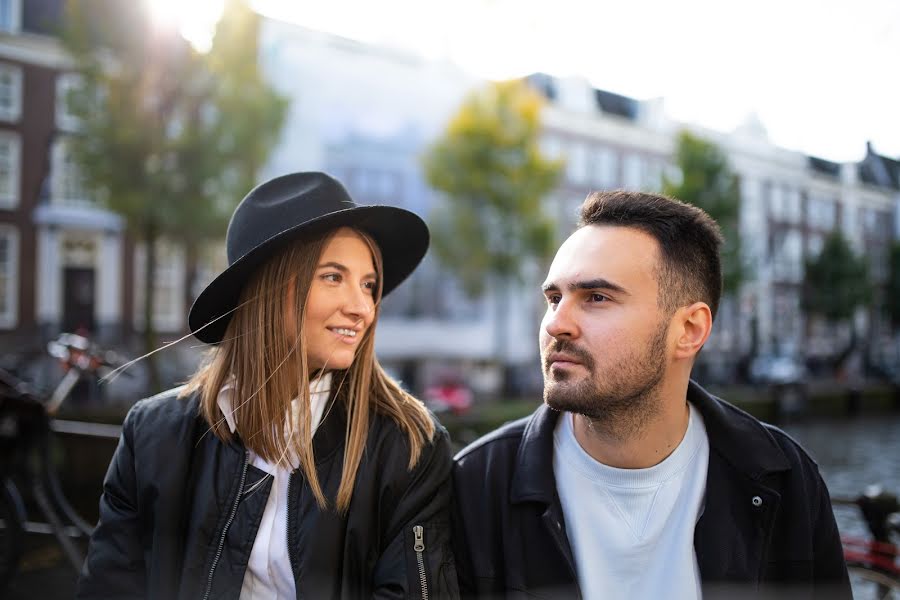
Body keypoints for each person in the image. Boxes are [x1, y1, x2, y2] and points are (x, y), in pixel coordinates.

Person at [452, 190, 850, 599]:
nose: (556, 324)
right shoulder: (477, 485)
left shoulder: (784, 479)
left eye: (597, 298)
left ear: (689, 330)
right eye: (554, 299)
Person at [77, 172, 459, 598]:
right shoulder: (151, 435)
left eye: (369, 285)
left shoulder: (409, 447)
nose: (362, 308)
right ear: (268, 291)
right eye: (333, 277)